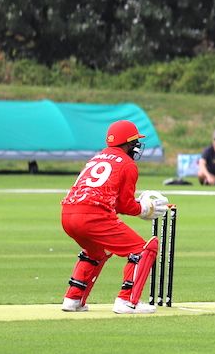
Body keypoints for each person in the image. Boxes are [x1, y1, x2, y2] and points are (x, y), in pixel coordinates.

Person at [60, 120, 169, 314]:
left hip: (68, 214)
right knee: (143, 249)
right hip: (93, 216)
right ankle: (127, 301)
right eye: (134, 142)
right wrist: (145, 209)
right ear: (127, 143)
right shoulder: (127, 165)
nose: (136, 146)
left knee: (95, 252)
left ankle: (73, 298)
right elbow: (124, 205)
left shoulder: (96, 158)